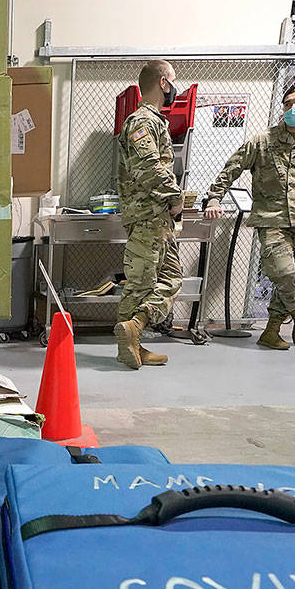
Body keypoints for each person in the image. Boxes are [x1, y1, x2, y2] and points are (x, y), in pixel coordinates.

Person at [205, 82, 295, 350]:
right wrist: (214, 197)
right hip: (271, 218)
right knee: (283, 273)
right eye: (287, 104)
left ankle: (271, 331)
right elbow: (233, 167)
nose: (292, 108)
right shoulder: (263, 141)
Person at [113, 59, 183, 369]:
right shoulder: (141, 121)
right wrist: (175, 196)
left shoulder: (155, 121)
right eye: (173, 81)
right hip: (147, 217)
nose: (175, 88)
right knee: (140, 282)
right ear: (164, 84)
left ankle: (135, 329)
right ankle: (129, 344)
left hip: (158, 218)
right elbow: (148, 167)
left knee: (171, 278)